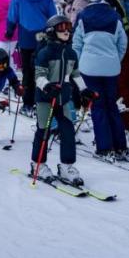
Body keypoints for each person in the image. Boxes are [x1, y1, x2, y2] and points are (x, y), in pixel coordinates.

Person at [31, 15, 96, 184]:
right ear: (52, 31)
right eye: (61, 28)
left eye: (68, 27)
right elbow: (38, 75)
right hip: (46, 98)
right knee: (43, 130)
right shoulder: (45, 52)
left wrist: (84, 90)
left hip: (64, 98)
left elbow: (75, 74)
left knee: (68, 132)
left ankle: (67, 166)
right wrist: (47, 86)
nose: (67, 31)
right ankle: (38, 164)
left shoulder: (71, 52)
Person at [72, 0, 128, 160]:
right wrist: (115, 59)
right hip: (111, 68)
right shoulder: (114, 15)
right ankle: (120, 146)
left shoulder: (83, 16)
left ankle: (105, 147)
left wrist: (79, 64)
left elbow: (77, 43)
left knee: (98, 106)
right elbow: (122, 43)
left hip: (89, 67)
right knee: (111, 105)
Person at [7, 0, 58, 116]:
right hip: (42, 35)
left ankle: (27, 103)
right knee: (42, 68)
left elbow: (12, 15)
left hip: (26, 35)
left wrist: (10, 29)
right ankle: (42, 100)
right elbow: (52, 15)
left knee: (27, 71)